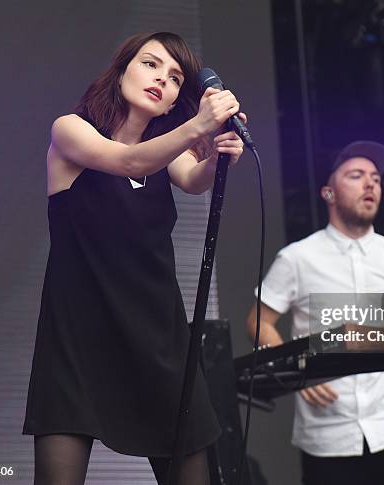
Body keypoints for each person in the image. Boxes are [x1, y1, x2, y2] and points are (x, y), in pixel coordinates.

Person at [23, 32, 246, 485]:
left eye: (174, 78)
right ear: (122, 69)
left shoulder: (169, 152)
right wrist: (197, 126)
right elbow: (127, 162)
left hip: (159, 339)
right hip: (79, 336)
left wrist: (219, 156)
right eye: (150, 65)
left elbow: (195, 179)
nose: (161, 80)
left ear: (171, 104)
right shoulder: (70, 130)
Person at [246, 141, 384, 485]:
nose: (370, 183)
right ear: (328, 192)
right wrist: (297, 371)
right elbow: (257, 323)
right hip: (330, 436)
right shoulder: (297, 258)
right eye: (356, 176)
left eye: (375, 178)